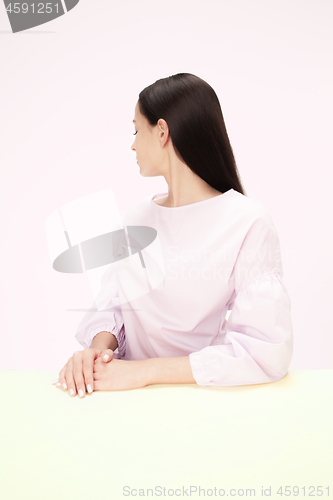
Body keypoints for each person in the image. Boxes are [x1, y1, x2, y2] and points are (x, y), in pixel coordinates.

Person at [53, 73, 293, 397]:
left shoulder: (248, 223)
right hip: (123, 399)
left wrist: (146, 372)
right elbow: (115, 304)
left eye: (137, 129)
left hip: (200, 399)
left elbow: (265, 351)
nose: (133, 144)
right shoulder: (137, 218)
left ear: (162, 131)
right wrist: (98, 354)